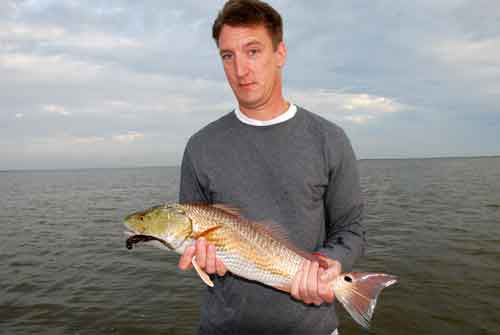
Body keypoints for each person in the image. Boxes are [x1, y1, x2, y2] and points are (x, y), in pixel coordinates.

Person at [178, 0, 365, 334]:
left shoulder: (329, 139)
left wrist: (328, 264)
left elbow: (351, 228)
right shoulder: (199, 147)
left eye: (253, 51)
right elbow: (195, 239)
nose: (240, 70)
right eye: (227, 56)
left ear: (280, 53)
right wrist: (200, 258)